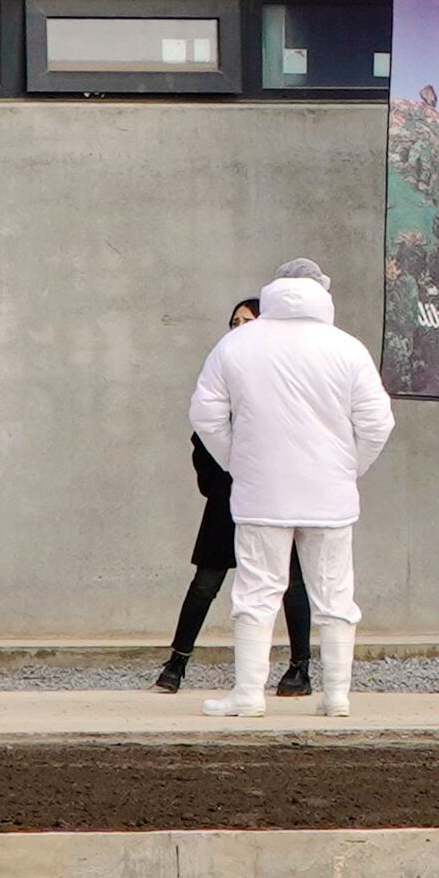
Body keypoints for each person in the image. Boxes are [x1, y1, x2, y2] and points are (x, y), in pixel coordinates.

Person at [184, 263, 397, 718]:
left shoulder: (237, 343)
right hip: (330, 494)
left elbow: (205, 415)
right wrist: (348, 468)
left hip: (262, 493)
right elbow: (378, 423)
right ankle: (337, 695)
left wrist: (240, 465)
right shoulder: (347, 348)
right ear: (323, 294)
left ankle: (247, 694)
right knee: (336, 597)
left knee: (256, 592)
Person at [153, 291, 259, 693]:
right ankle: (177, 663)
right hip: (229, 494)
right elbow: (203, 431)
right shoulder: (224, 370)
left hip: (272, 491)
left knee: (290, 581)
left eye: (248, 322)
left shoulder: (274, 374)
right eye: (234, 323)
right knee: (206, 582)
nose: (238, 330)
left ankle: (298, 668)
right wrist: (219, 481)